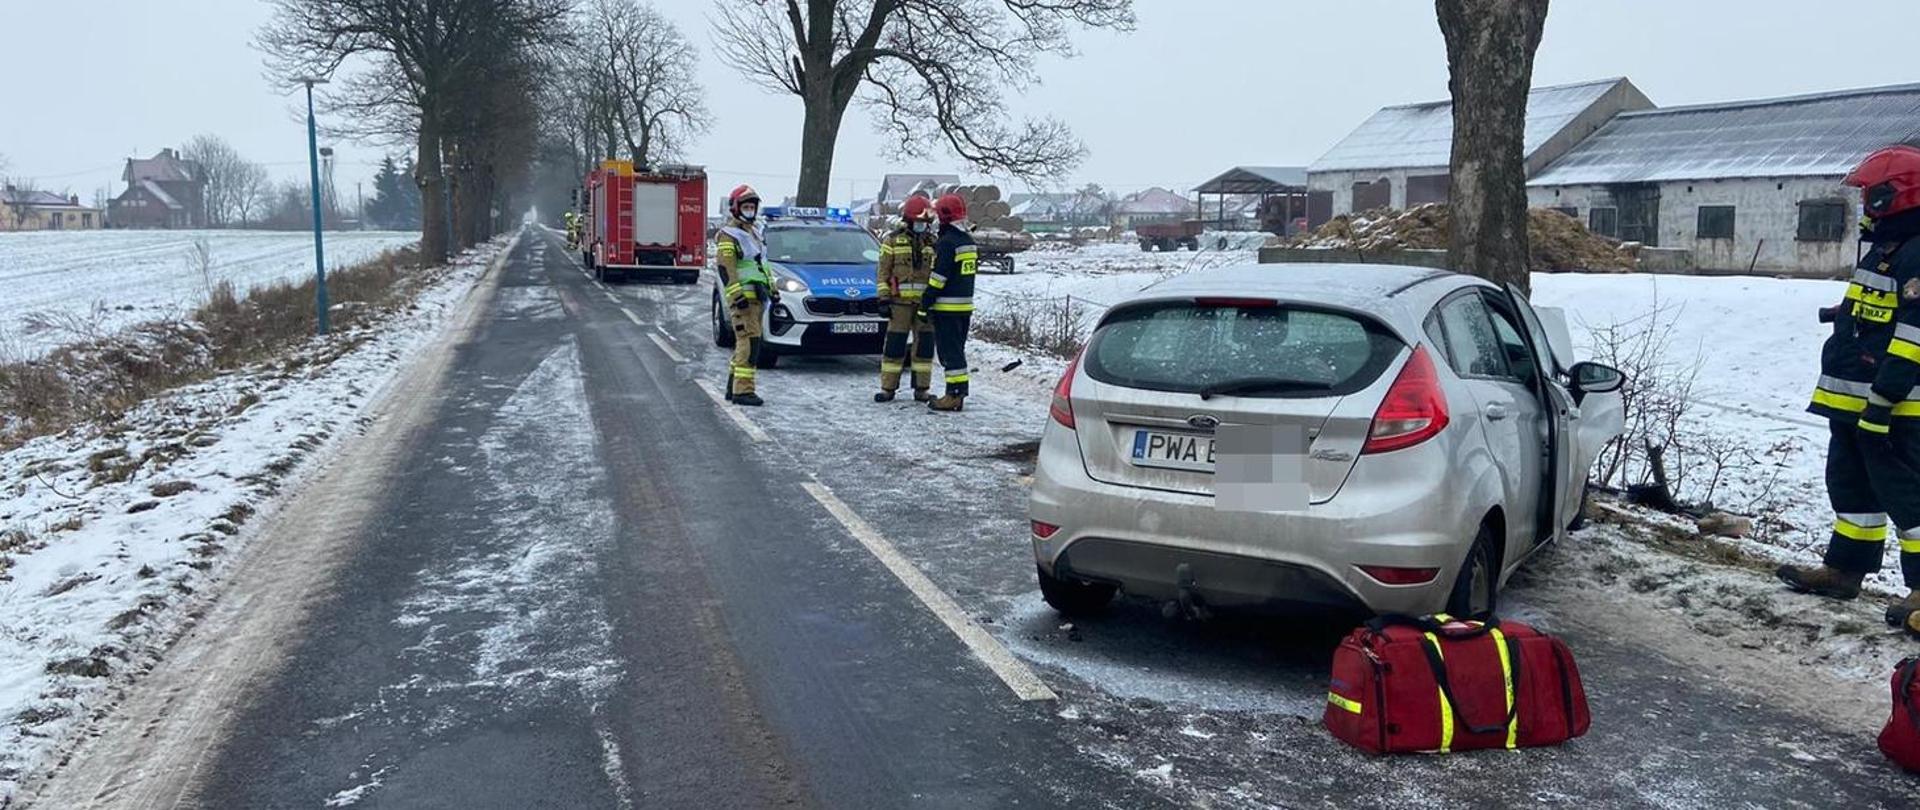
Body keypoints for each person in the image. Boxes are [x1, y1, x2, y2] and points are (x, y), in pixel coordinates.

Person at [1778, 144, 1920, 635]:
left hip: (1893, 405)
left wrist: (1883, 401)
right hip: (1852, 399)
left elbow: (1913, 339)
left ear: (1893, 196)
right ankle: (1845, 570)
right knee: (1851, 486)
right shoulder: (1887, 247)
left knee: (1907, 496)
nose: (1863, 205)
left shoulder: (1916, 250)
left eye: (1869, 195)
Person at [715, 185, 776, 407]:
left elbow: (762, 264)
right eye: (746, 206)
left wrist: (773, 288)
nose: (750, 210)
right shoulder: (729, 235)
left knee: (749, 342)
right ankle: (743, 391)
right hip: (743, 300)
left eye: (752, 206)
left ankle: (734, 387)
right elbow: (726, 267)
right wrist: (736, 294)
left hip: (757, 299)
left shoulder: (753, 233)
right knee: (749, 343)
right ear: (736, 208)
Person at [874, 195, 939, 402]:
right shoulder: (892, 240)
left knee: (925, 348)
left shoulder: (933, 242)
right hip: (898, 304)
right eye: (920, 221)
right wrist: (883, 299)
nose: (922, 226)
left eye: (925, 222)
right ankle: (888, 388)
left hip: (925, 305)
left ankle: (922, 389)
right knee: (894, 346)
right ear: (910, 220)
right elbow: (883, 272)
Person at [917, 193, 977, 412]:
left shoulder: (947, 243)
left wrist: (925, 304)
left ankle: (953, 395)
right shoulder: (967, 241)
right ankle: (958, 393)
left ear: (943, 215)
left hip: (946, 309)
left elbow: (938, 278)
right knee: (957, 352)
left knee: (949, 354)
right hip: (964, 308)